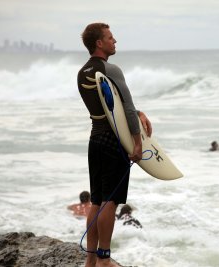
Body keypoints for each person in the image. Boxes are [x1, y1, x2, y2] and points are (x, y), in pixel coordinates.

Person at [77, 22, 152, 267]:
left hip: (95, 139)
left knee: (96, 200)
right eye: (110, 37)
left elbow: (107, 107)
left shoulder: (83, 72)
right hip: (114, 143)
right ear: (99, 43)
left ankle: (90, 259)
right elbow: (126, 109)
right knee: (111, 201)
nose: (115, 41)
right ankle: (104, 259)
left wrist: (137, 111)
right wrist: (137, 143)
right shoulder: (111, 69)